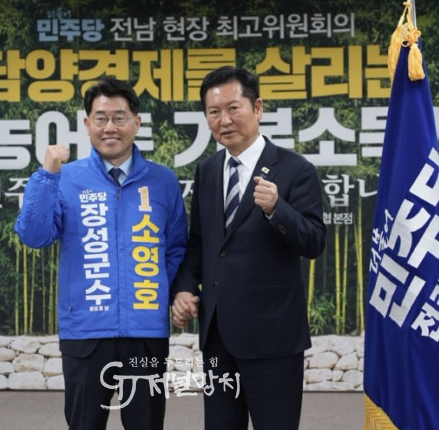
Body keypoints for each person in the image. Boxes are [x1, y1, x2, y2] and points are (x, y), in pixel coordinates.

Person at [15, 77, 187, 430]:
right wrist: (47, 175)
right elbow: (33, 236)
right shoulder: (65, 177)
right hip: (86, 331)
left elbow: (175, 249)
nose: (110, 127)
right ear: (87, 124)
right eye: (101, 118)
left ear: (136, 123)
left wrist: (170, 296)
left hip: (145, 333)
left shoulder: (163, 181)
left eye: (119, 118)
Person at [171, 66, 326, 430]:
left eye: (233, 108)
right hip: (218, 334)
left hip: (272, 337)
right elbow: (201, 243)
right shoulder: (208, 170)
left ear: (257, 108)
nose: (224, 120)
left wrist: (277, 210)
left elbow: (314, 241)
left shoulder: (295, 169)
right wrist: (184, 288)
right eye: (214, 112)